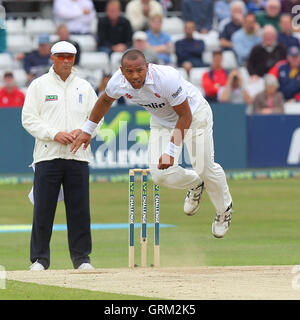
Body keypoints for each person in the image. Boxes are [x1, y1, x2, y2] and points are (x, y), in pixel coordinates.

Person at [71, 49, 233, 239]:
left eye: (139, 70)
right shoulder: (118, 81)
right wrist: (87, 131)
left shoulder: (166, 78)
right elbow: (105, 101)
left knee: (204, 166)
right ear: (122, 71)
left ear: (147, 67)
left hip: (194, 115)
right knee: (159, 175)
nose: (135, 76)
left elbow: (185, 115)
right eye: (129, 72)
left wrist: (171, 151)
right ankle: (196, 184)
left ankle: (224, 211)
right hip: (162, 122)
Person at [22, 41, 101, 271]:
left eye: (70, 57)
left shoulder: (84, 86)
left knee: (79, 210)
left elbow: (97, 117)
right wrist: (54, 134)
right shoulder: (39, 85)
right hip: (48, 155)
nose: (66, 61)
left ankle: (82, 259)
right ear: (52, 58)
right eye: (61, 56)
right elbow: (28, 118)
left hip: (78, 155)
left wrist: (83, 131)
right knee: (43, 210)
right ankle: (39, 260)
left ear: (74, 59)